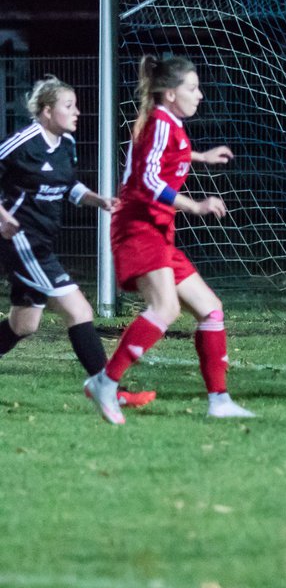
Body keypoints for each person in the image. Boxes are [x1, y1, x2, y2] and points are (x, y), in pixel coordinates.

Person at [83, 55, 255, 423]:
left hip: (157, 230)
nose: (200, 95)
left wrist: (201, 157)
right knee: (165, 308)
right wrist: (194, 206)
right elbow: (149, 181)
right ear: (170, 93)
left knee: (210, 309)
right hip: (138, 227)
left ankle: (219, 400)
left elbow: (165, 155)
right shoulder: (161, 122)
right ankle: (106, 382)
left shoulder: (167, 123)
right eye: (192, 88)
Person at [0, 76, 153, 421]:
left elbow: (67, 185)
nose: (77, 112)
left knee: (24, 325)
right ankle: (107, 387)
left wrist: (98, 200)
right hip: (22, 242)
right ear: (46, 110)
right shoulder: (22, 143)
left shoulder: (66, 144)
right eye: (69, 106)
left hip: (42, 241)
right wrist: (2, 217)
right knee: (79, 309)